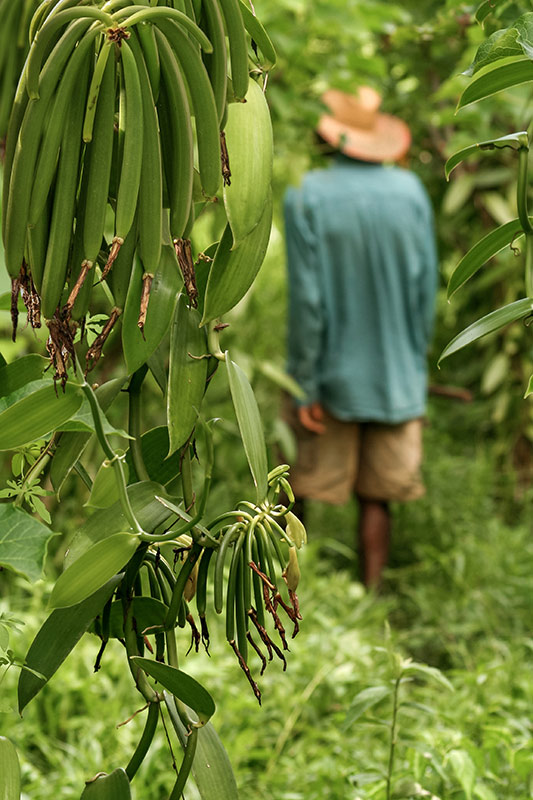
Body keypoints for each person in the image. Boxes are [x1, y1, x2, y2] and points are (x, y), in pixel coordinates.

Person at [283, 86, 438, 588]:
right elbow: (425, 291)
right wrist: (414, 365)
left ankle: (285, 596)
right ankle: (370, 596)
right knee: (379, 496)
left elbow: (309, 302)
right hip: (396, 378)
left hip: (331, 378)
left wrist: (305, 383)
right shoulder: (410, 192)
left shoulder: (305, 192)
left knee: (296, 490)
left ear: (324, 135)